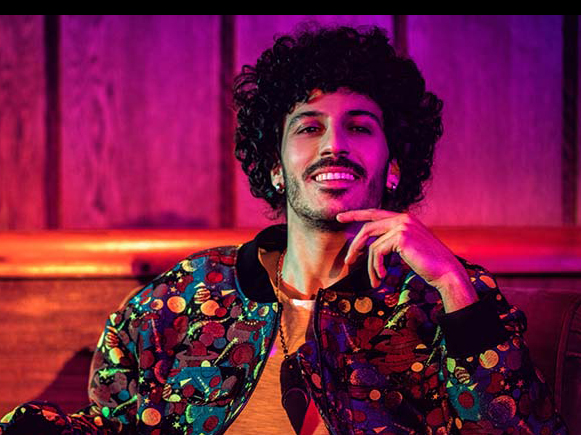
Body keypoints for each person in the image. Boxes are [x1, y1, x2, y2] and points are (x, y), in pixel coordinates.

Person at [0, 24, 568, 435]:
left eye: (359, 127)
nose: (334, 144)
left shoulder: (451, 300)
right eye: (309, 127)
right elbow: (111, 425)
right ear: (275, 166)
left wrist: (453, 286)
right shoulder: (181, 298)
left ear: (394, 164)